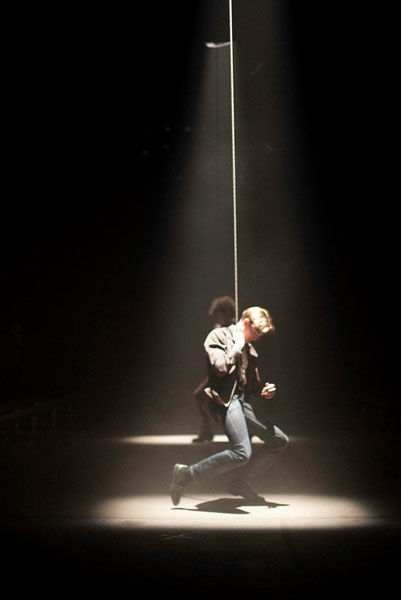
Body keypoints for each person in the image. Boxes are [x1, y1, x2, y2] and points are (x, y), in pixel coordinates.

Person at [170, 306, 289, 504]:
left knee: (279, 440)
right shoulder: (218, 336)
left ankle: (241, 483)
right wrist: (236, 348)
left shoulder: (250, 349)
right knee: (242, 452)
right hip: (225, 401)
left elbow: (253, 385)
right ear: (246, 323)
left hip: (242, 402)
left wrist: (265, 390)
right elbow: (220, 368)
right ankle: (186, 474)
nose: (257, 338)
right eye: (256, 332)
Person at [192, 296, 236, 443]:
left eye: (219, 314)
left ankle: (245, 430)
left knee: (230, 403)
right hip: (217, 372)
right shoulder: (221, 327)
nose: (218, 317)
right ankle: (207, 430)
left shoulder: (233, 327)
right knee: (200, 396)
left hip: (228, 372)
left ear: (225, 312)